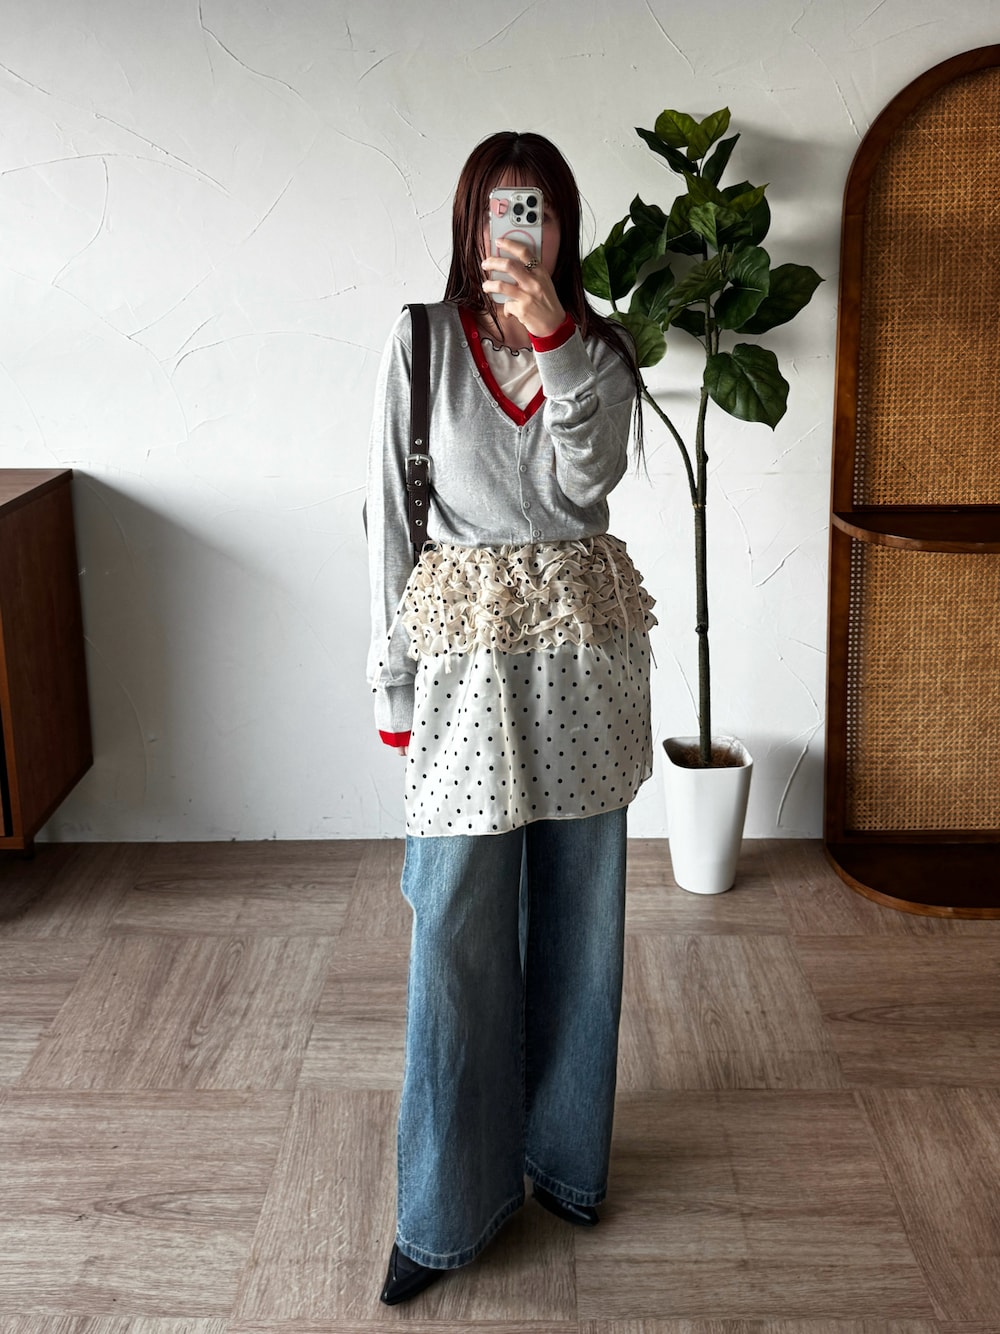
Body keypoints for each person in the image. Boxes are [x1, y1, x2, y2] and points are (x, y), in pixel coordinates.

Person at [365, 130, 656, 1306]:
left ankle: (563, 1159)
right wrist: (390, 682)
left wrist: (554, 338)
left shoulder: (600, 352)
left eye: (535, 208)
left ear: (562, 223)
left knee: (580, 922)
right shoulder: (420, 339)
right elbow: (389, 515)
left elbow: (587, 485)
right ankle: (445, 1208)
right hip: (463, 675)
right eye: (499, 207)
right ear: (470, 221)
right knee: (455, 926)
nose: (516, 228)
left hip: (581, 663)